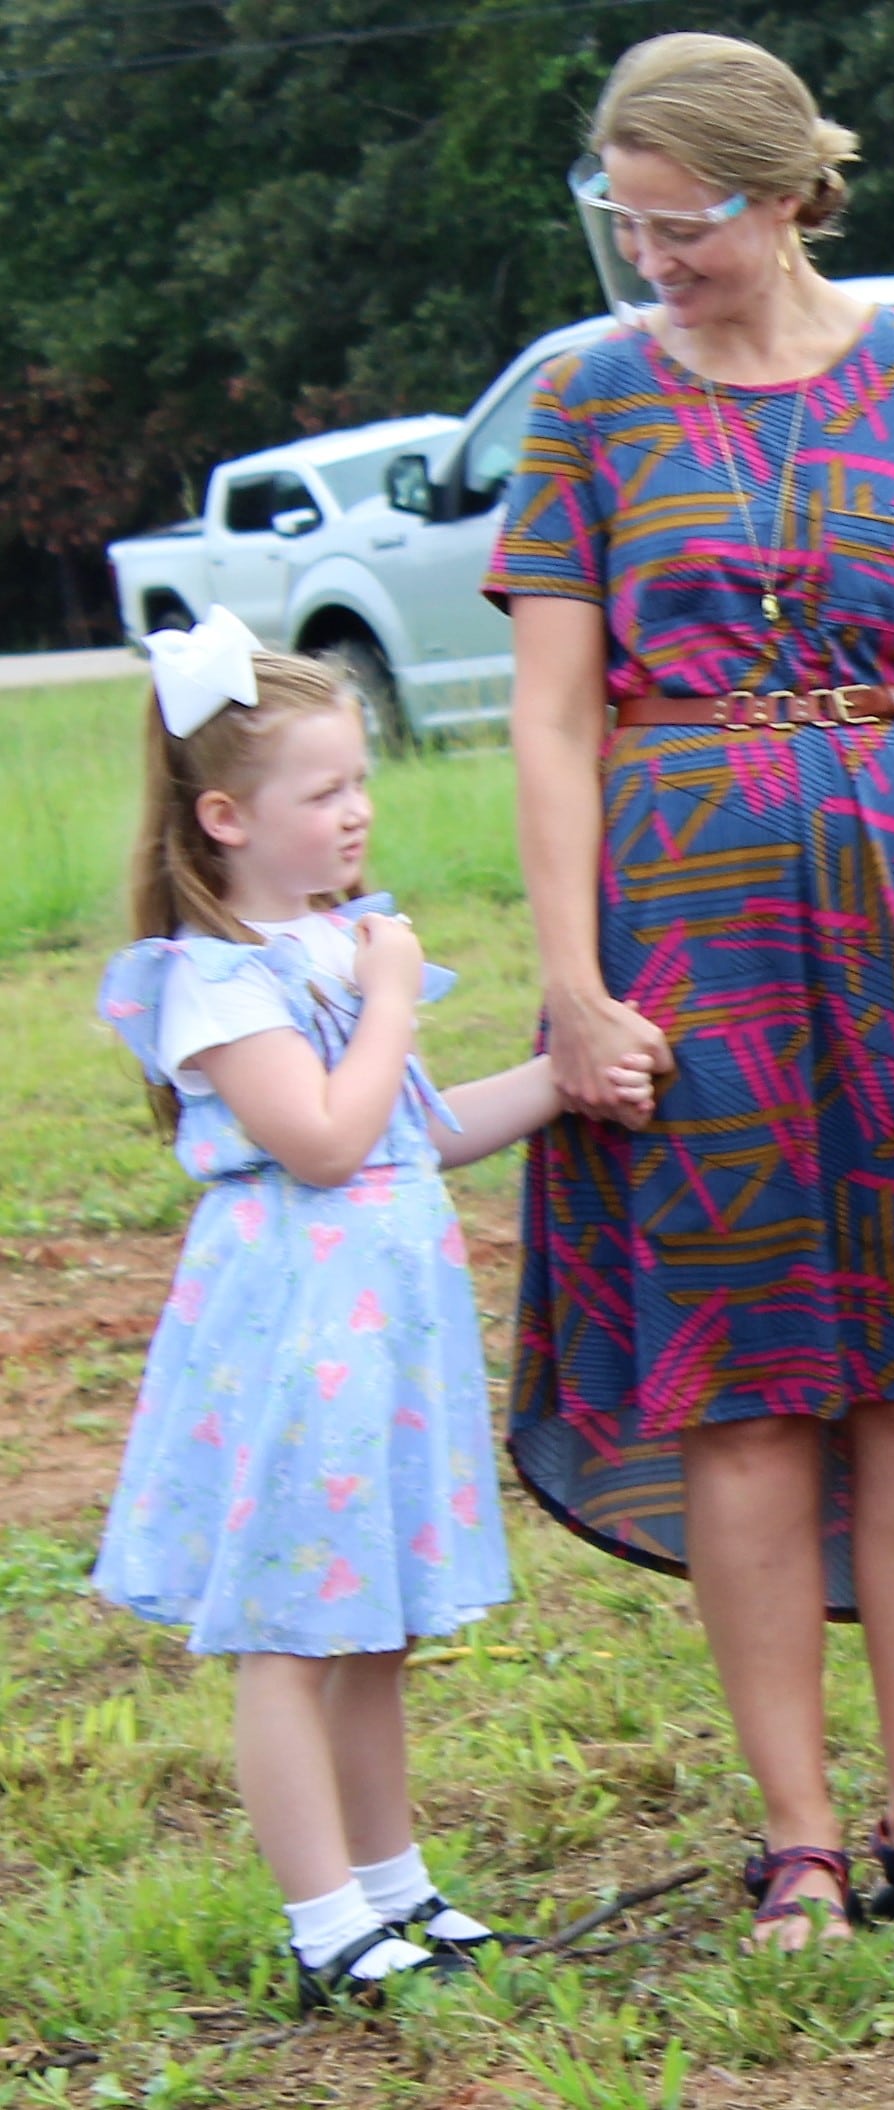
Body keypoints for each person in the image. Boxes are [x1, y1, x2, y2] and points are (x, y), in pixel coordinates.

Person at [484, 31, 894, 1948]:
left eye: (678, 224)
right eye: (623, 225)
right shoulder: (588, 400)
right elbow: (550, 721)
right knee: (743, 1390)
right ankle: (798, 1839)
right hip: (686, 945)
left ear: (780, 196)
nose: (650, 260)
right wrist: (570, 984)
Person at [93, 605, 654, 2008]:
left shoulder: (337, 946)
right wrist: (393, 988)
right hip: (298, 1336)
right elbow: (329, 1142)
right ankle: (323, 1921)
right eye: (324, 791)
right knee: (291, 1627)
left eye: (361, 782)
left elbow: (413, 1130)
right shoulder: (213, 980)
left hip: (380, 1335)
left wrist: (564, 1079)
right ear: (226, 817)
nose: (357, 811)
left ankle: (395, 1884)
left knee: (371, 1622)